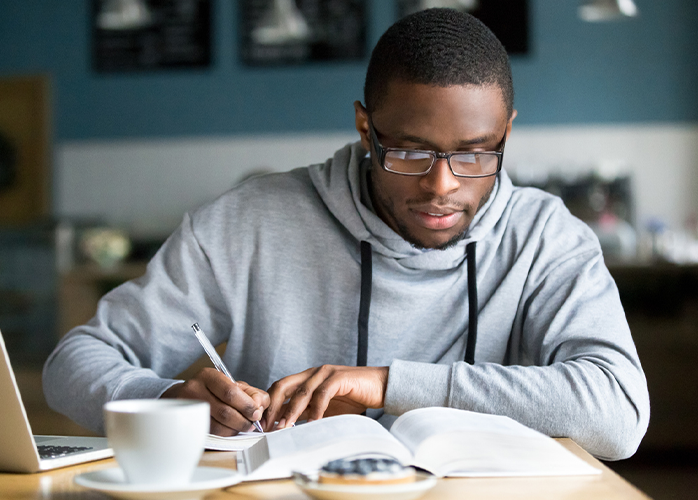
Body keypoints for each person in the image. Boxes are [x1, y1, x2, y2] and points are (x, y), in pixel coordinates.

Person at [43, 8, 649, 461]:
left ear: (506, 132)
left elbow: (618, 414)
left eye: (474, 154)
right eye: (410, 152)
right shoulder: (248, 222)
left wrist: (387, 384)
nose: (442, 186)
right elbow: (73, 362)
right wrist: (168, 397)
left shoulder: (545, 237)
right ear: (367, 127)